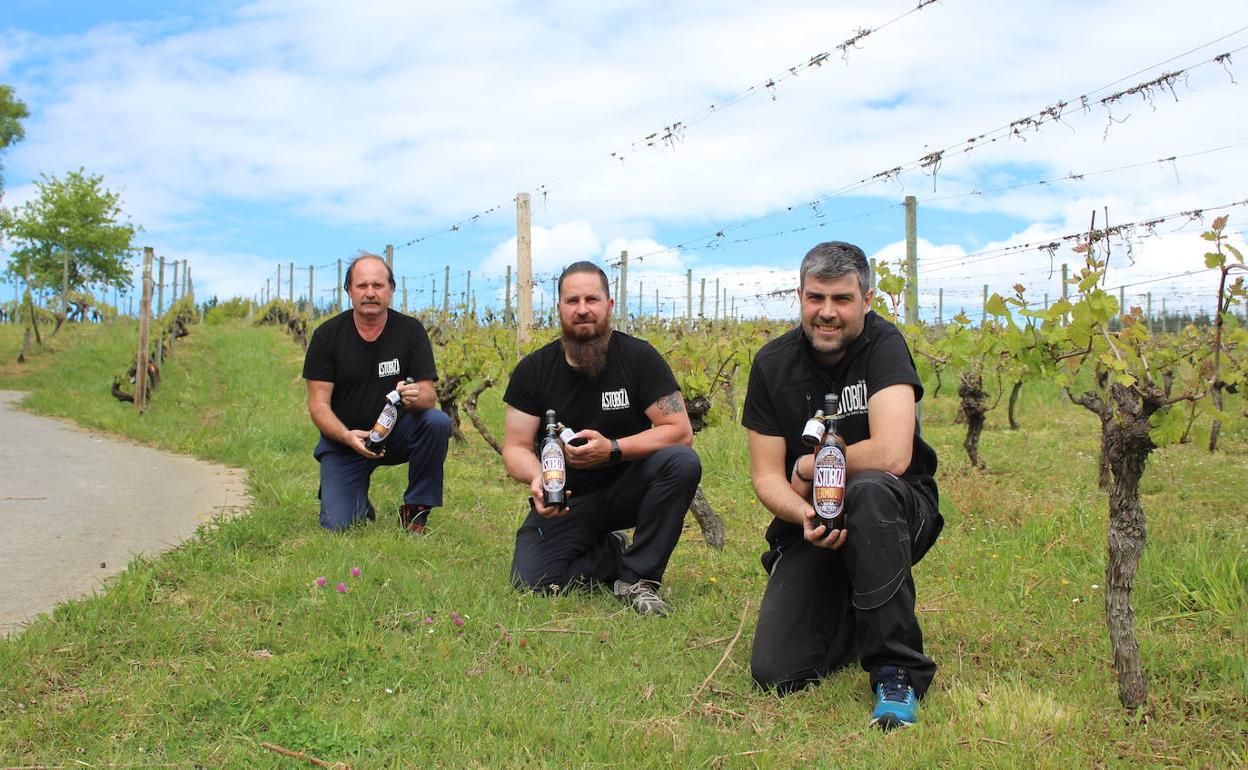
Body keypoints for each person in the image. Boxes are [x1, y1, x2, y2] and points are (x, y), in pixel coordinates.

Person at [742, 241, 942, 730]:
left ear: (867, 300)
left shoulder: (884, 344)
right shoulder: (772, 364)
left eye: (842, 299)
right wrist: (801, 513)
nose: (827, 313)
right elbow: (767, 475)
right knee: (777, 672)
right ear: (800, 296)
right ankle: (860, 610)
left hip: (895, 512)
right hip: (815, 522)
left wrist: (813, 469)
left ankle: (897, 670)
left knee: (869, 487)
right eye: (816, 298)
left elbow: (894, 453)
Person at [501, 261, 701, 616]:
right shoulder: (533, 371)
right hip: (566, 497)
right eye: (572, 300)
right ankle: (612, 551)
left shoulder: (639, 358)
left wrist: (612, 449)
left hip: (630, 488)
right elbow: (515, 447)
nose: (582, 309)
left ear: (609, 306)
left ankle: (638, 577)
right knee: (531, 582)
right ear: (559, 308)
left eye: (591, 299)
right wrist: (537, 478)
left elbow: (680, 432)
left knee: (681, 462)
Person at [302, 252, 451, 533]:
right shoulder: (327, 336)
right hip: (345, 441)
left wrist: (414, 395)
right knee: (340, 526)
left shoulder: (410, 331)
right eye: (362, 286)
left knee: (437, 422)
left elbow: (430, 396)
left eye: (378, 285)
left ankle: (415, 512)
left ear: (391, 289)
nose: (370, 293)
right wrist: (346, 436)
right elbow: (318, 406)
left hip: (394, 435)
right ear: (348, 290)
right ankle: (349, 496)